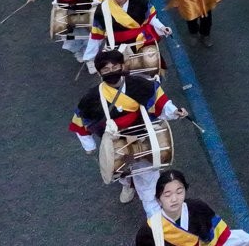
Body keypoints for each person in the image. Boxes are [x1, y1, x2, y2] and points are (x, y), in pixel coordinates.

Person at [69, 49, 188, 216]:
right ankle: (127, 184)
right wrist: (88, 144)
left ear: (122, 66)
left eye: (115, 67)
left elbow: (161, 101)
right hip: (114, 143)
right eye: (106, 70)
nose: (111, 72)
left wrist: (174, 111)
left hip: (142, 137)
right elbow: (80, 123)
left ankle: (154, 216)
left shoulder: (141, 84)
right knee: (122, 172)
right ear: (100, 72)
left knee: (148, 183)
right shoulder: (91, 98)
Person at [134, 169, 249, 246]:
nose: (174, 199)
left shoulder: (197, 207)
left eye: (179, 192)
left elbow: (218, 238)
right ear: (158, 198)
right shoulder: (149, 230)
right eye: (167, 195)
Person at [83, 0, 172, 66]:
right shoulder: (102, 9)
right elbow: (96, 34)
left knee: (152, 69)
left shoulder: (140, 2)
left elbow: (151, 19)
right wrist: (89, 56)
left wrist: (162, 27)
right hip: (118, 47)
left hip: (142, 42)